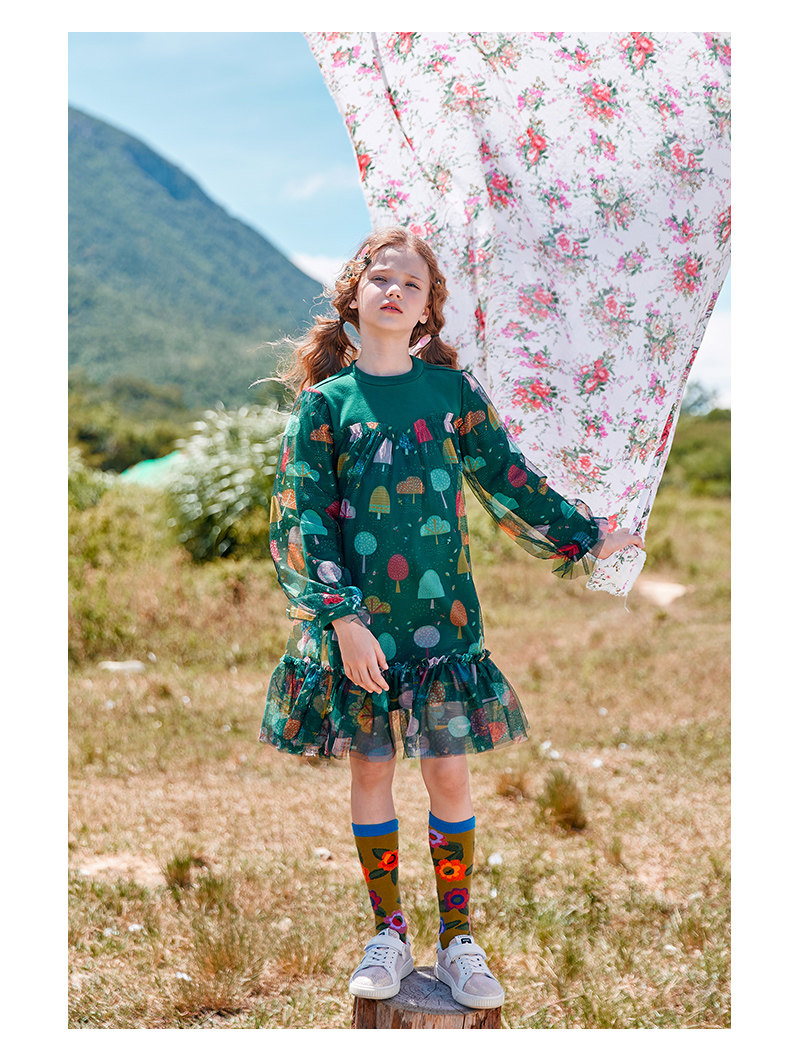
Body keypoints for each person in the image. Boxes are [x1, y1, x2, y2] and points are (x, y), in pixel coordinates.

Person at [258, 225, 644, 1009]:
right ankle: (389, 933)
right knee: (372, 770)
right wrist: (343, 618)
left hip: (444, 624)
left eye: (413, 283)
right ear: (354, 296)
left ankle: (458, 940)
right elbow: (304, 520)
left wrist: (586, 533)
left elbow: (508, 477)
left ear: (428, 309)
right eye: (382, 278)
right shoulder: (325, 406)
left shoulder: (452, 394)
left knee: (448, 774)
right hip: (361, 630)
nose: (395, 290)